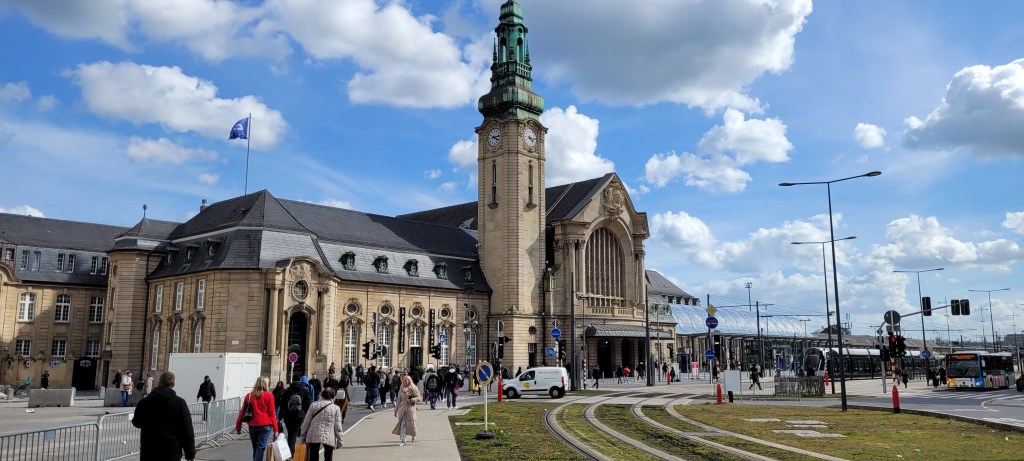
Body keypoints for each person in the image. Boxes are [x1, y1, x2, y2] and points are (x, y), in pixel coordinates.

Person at [132, 371, 196, 461]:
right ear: (173, 385)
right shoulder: (179, 402)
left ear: (159, 382)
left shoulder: (144, 402)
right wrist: (190, 453)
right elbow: (186, 429)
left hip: (149, 449)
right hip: (171, 451)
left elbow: (136, 422)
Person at [236, 376, 279, 461]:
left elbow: (242, 412)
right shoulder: (269, 396)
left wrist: (238, 426)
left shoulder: (249, 396)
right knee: (260, 448)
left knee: (255, 447)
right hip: (265, 425)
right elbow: (272, 414)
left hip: (253, 425)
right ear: (266, 384)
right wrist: (276, 430)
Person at [299, 387, 344, 461]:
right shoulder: (336, 408)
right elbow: (338, 426)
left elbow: (306, 422)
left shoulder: (314, 405)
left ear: (322, 395)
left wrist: (303, 435)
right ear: (333, 396)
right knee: (328, 456)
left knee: (313, 456)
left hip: (314, 433)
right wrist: (340, 440)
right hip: (329, 434)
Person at [281, 376, 312, 454]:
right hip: (299, 415)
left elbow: (282, 403)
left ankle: (290, 451)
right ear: (300, 380)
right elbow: (308, 403)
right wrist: (306, 414)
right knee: (294, 432)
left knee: (290, 433)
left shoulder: (288, 390)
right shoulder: (304, 390)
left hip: (288, 415)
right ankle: (292, 452)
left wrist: (281, 415)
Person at [392, 375, 420, 446]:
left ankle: (413, 435)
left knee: (412, 424)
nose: (404, 382)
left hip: (410, 409)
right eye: (403, 381)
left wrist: (411, 400)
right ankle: (403, 439)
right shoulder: (401, 388)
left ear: (409, 381)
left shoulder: (414, 388)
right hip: (402, 409)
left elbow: (419, 398)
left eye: (406, 380)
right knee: (402, 424)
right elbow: (398, 399)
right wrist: (396, 410)